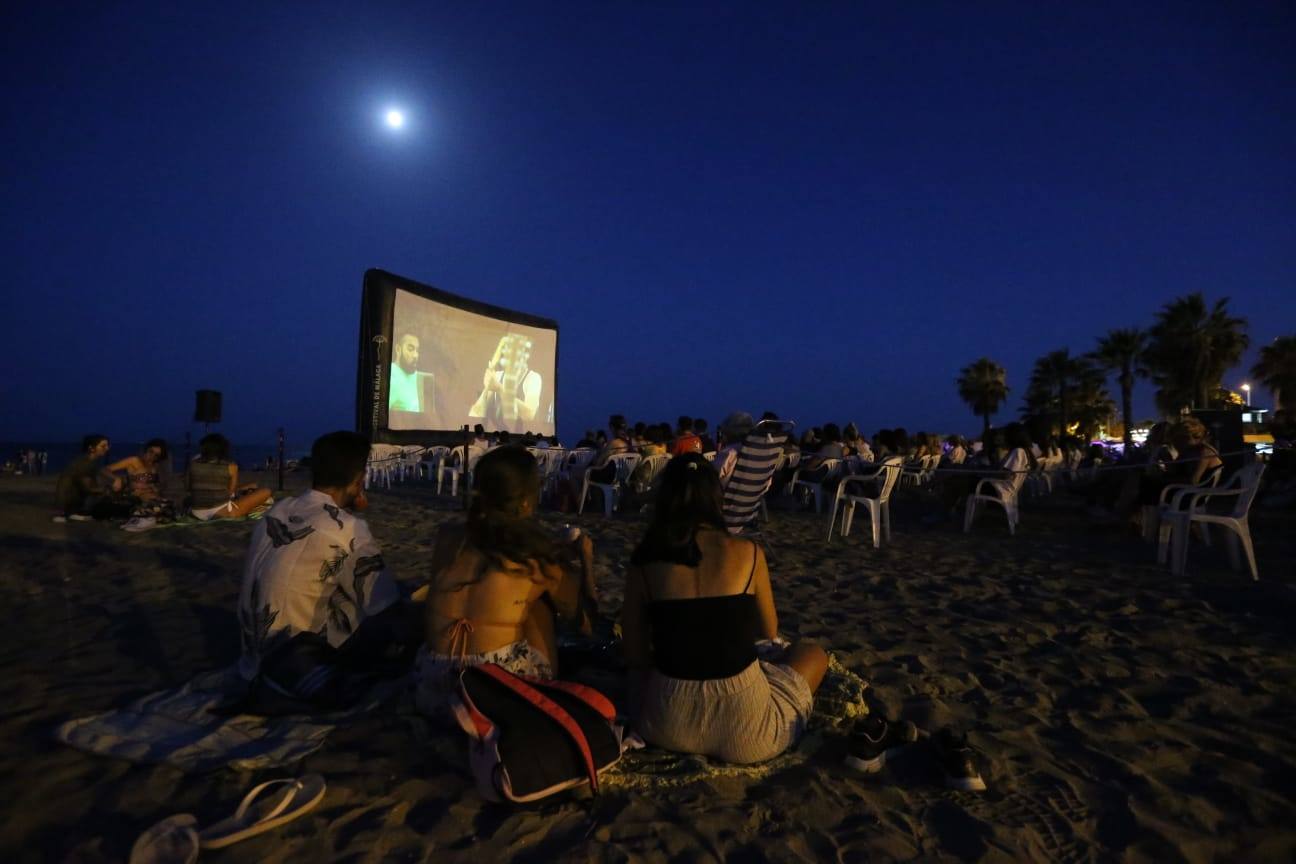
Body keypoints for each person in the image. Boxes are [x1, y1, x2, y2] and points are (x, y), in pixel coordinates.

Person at [621, 454, 827, 764]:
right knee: (814, 655)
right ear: (716, 499)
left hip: (666, 724)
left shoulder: (644, 561)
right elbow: (769, 633)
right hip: (747, 730)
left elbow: (635, 656)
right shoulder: (748, 553)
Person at [415, 446, 597, 719]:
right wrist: (586, 561)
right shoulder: (538, 559)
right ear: (525, 501)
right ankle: (546, 682)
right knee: (538, 605)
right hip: (492, 695)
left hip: (433, 686)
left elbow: (490, 552)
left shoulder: (448, 537)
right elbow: (587, 624)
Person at [237, 431, 414, 708]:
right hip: (296, 663)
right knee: (397, 607)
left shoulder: (277, 511)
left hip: (251, 661)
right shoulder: (348, 529)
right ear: (358, 479)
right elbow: (384, 606)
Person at [187, 433, 274, 520]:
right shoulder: (231, 466)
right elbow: (230, 493)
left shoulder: (193, 464)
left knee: (252, 485)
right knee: (266, 491)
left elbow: (188, 487)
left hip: (196, 511)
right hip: (221, 512)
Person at [469, 333, 542, 432]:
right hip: (497, 435)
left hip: (519, 437)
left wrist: (500, 389)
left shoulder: (533, 378)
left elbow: (529, 415)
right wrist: (487, 389)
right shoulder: (498, 376)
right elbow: (476, 413)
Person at [107, 439, 177, 530]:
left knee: (169, 506)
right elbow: (106, 469)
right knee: (158, 507)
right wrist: (117, 479)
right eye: (151, 452)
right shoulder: (133, 460)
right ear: (146, 449)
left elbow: (155, 483)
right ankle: (141, 516)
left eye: (156, 455)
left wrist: (155, 487)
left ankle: (146, 515)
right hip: (137, 495)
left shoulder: (155, 466)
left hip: (152, 495)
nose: (152, 456)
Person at [53, 434, 119, 522]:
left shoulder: (90, 459)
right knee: (103, 492)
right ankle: (64, 512)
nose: (107, 448)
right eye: (103, 446)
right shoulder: (84, 463)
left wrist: (116, 479)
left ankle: (73, 512)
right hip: (67, 498)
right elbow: (88, 487)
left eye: (107, 445)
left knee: (100, 483)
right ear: (91, 448)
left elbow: (100, 470)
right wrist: (107, 490)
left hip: (74, 495)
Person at [389, 332, 436, 421]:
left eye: (417, 350)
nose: (415, 355)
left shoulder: (424, 380)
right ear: (398, 349)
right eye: (410, 349)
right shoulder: (390, 375)